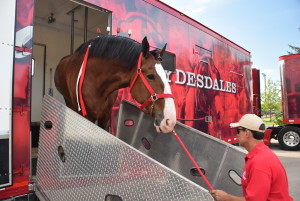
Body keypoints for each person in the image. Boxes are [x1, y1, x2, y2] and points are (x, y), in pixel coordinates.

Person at [211, 114, 293, 201]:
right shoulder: (261, 154)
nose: (237, 134)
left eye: (238, 131)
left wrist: (226, 198)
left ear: (247, 133)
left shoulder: (260, 163)